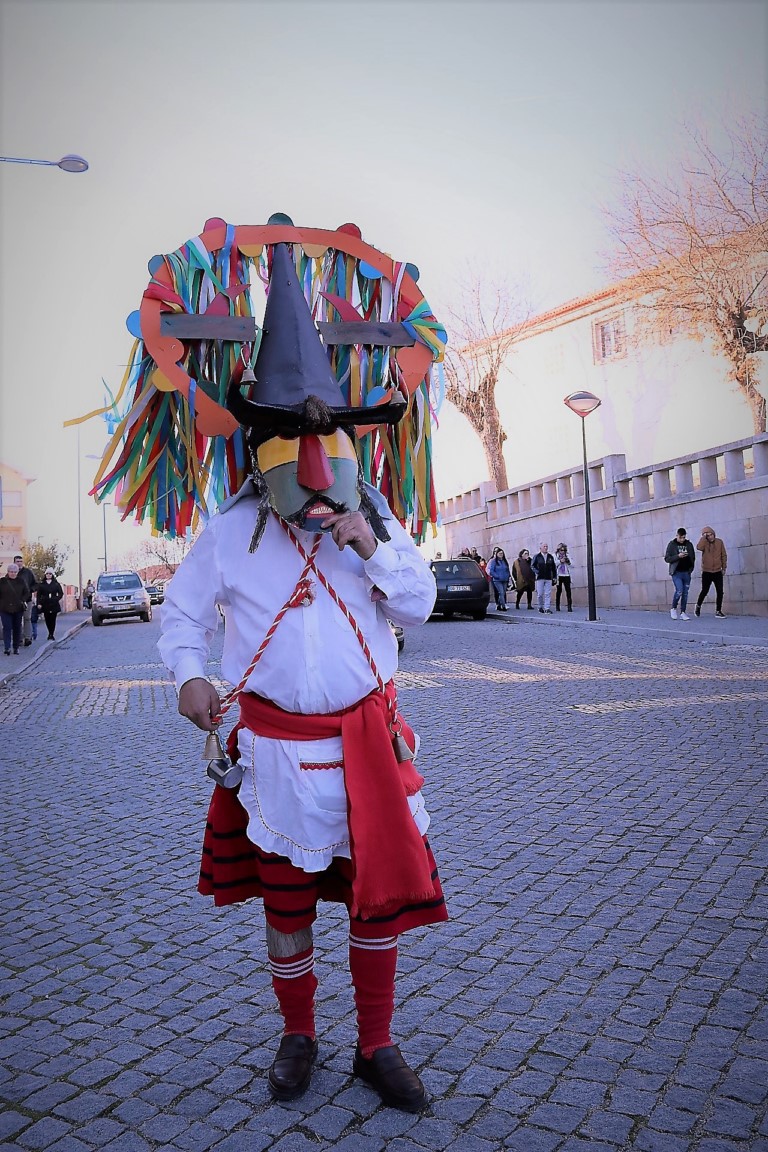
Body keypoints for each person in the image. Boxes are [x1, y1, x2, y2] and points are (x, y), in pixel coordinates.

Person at [158, 243, 447, 1113]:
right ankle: (298, 1036)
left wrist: (373, 547)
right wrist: (187, 678)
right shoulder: (228, 531)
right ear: (262, 448)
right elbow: (180, 618)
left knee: (373, 905)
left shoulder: (378, 524)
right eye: (294, 439)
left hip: (368, 745)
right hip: (277, 761)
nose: (315, 462)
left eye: (327, 439)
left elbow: (422, 607)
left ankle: (377, 1044)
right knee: (287, 910)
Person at [695, 527, 727, 618]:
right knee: (705, 591)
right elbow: (698, 547)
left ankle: (718, 610)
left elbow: (723, 555)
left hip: (717, 571)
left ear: (714, 534)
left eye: (711, 535)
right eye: (708, 536)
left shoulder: (719, 542)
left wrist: (724, 568)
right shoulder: (704, 543)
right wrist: (703, 538)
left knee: (720, 591)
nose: (710, 537)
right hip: (707, 571)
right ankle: (698, 606)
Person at [664, 527, 695, 620]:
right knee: (679, 590)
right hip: (676, 572)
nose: (682, 540)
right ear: (677, 535)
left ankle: (683, 612)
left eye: (684, 537)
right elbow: (667, 558)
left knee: (685, 593)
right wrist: (678, 556)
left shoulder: (689, 544)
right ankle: (673, 608)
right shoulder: (672, 544)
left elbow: (693, 557)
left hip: (686, 572)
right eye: (680, 537)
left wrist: (690, 568)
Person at [0, 562, 26, 654]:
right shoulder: (2, 581)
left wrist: (22, 600)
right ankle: (7, 647)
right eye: (11, 572)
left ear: (17, 572)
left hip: (18, 609)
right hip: (4, 608)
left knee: (17, 628)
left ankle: (16, 647)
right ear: (8, 572)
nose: (13, 573)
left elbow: (26, 593)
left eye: (15, 572)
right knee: (6, 627)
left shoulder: (21, 581)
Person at [13, 554, 36, 646]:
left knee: (27, 618)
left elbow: (35, 584)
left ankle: (27, 638)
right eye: (17, 561)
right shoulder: (11, 572)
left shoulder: (28, 572)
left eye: (21, 561)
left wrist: (30, 590)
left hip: (27, 599)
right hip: (15, 600)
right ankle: (18, 638)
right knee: (17, 619)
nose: (19, 563)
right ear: (14, 562)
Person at [37, 568, 64, 640]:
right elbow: (38, 595)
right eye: (47, 574)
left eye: (50, 574)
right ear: (45, 575)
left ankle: (51, 634)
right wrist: (39, 603)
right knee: (47, 619)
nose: (48, 575)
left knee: (53, 619)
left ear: (52, 575)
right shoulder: (42, 584)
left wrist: (56, 598)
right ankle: (49, 632)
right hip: (45, 603)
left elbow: (61, 593)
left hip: (54, 603)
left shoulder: (56, 584)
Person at [532, 543, 556, 613]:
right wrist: (537, 572)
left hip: (548, 577)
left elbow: (553, 568)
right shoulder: (537, 556)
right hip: (540, 577)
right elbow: (532, 566)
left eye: (546, 546)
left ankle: (547, 608)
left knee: (548, 593)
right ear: (540, 548)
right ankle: (540, 607)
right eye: (544, 546)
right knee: (540, 593)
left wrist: (554, 577)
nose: (545, 548)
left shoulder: (550, 557)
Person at [554, 543, 573, 612]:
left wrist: (568, 561)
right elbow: (553, 564)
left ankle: (569, 606)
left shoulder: (567, 556)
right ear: (558, 550)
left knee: (568, 591)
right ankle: (557, 606)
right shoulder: (555, 556)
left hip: (566, 575)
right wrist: (560, 561)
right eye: (561, 550)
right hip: (559, 575)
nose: (562, 551)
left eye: (564, 550)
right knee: (559, 590)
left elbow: (572, 565)